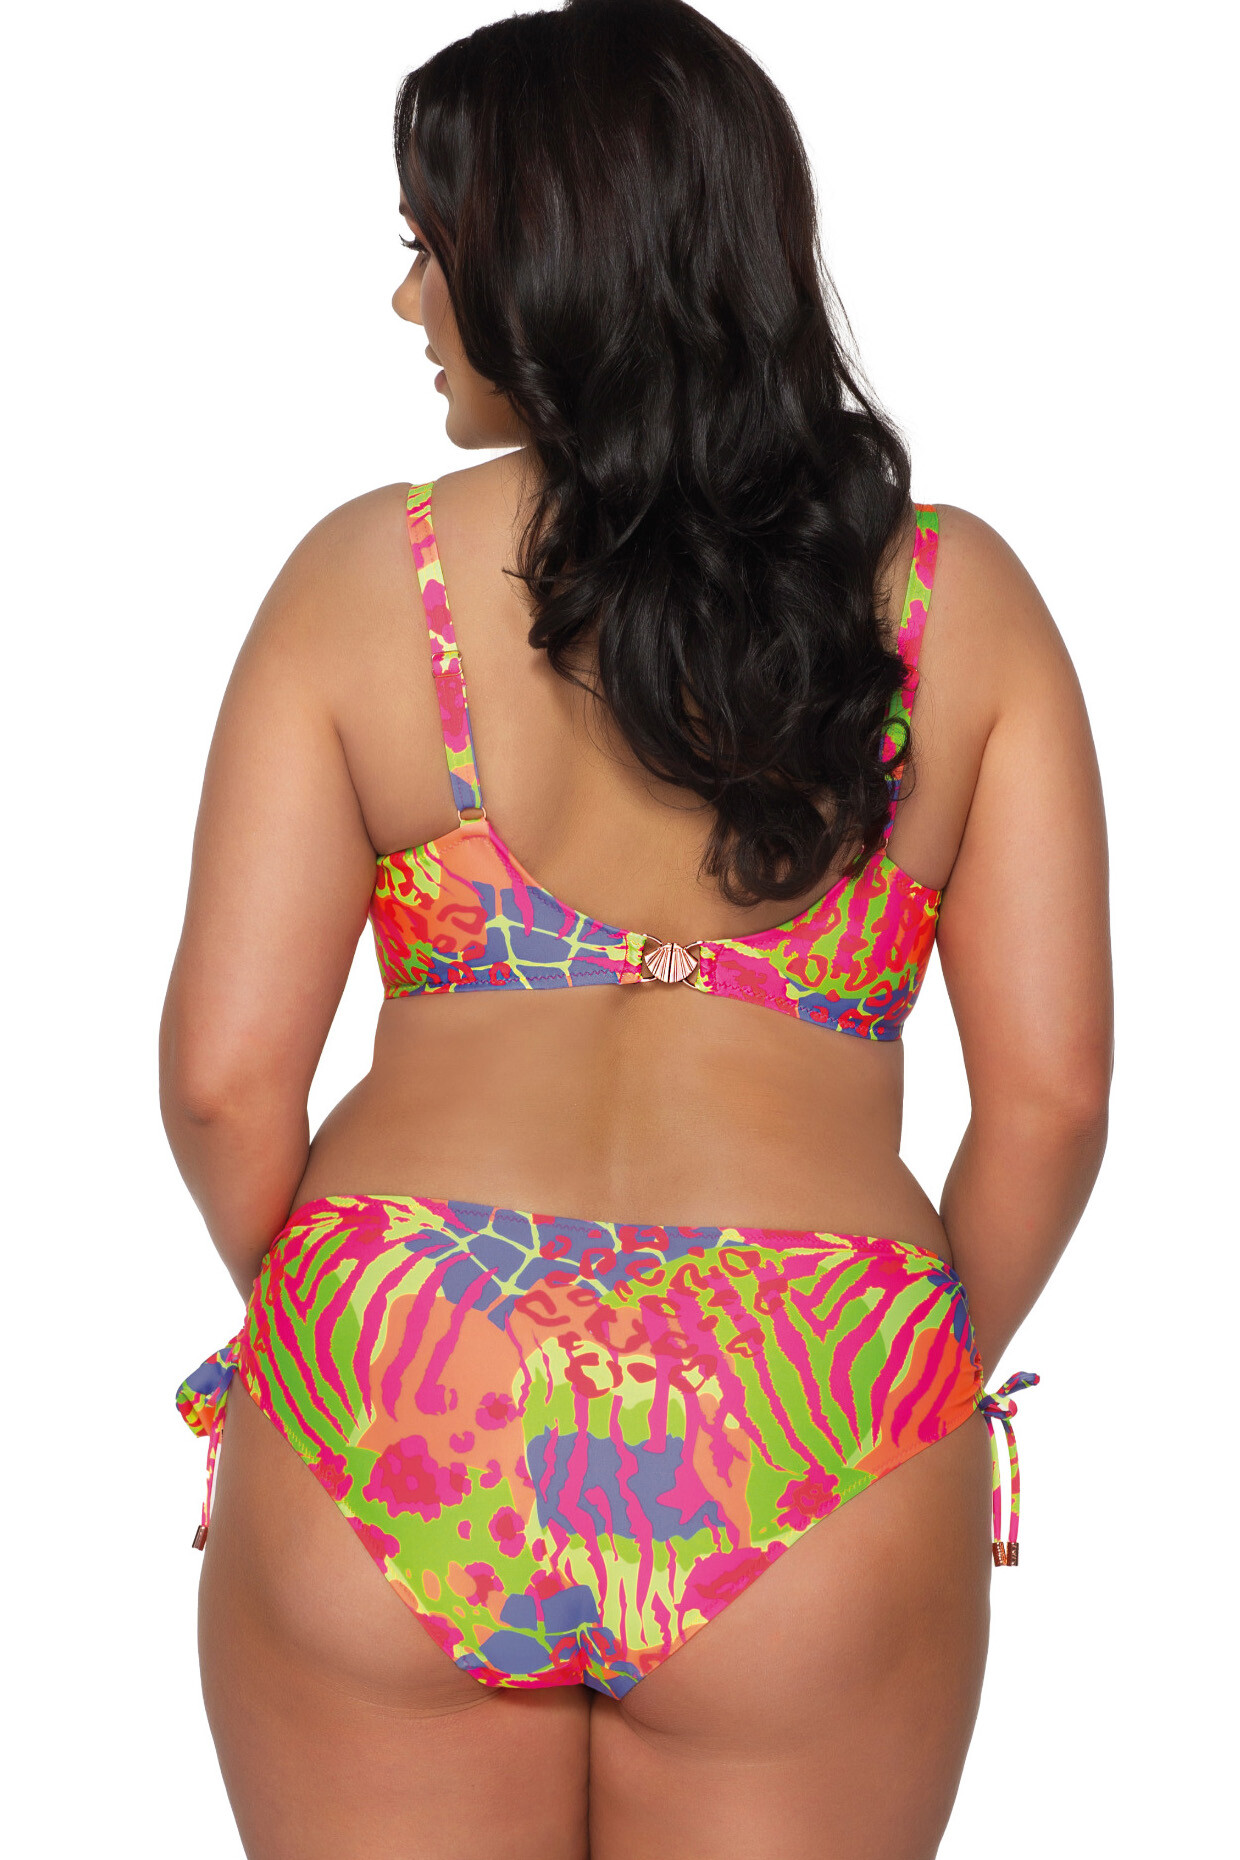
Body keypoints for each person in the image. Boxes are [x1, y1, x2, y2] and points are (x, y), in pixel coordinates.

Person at [160, 2, 1112, 1854]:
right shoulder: (960, 602)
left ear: (552, 264)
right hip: (813, 1387)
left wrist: (349, 1334)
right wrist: (889, 1378)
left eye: (431, 247)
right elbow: (1056, 1100)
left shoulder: (365, 579)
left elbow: (220, 1080)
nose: (407, 301)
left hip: (403, 1361)